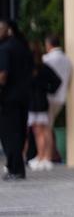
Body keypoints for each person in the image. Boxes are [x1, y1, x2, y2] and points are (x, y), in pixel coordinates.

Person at [0, 20, 32, 181]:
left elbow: (3, 75)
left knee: (9, 135)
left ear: (6, 31)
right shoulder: (22, 47)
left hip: (8, 99)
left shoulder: (5, 49)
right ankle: (18, 168)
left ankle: (15, 168)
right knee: (19, 133)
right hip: (24, 96)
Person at [26, 44, 61, 172]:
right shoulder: (43, 68)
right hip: (40, 102)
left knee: (39, 131)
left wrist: (47, 89)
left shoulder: (31, 69)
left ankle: (43, 157)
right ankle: (44, 157)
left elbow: (56, 82)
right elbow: (57, 81)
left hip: (35, 104)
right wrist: (48, 89)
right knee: (43, 130)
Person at [42, 34, 72, 164]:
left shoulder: (46, 59)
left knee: (45, 128)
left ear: (48, 45)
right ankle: (54, 154)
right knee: (50, 126)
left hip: (48, 97)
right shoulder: (67, 60)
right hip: (61, 97)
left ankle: (47, 157)